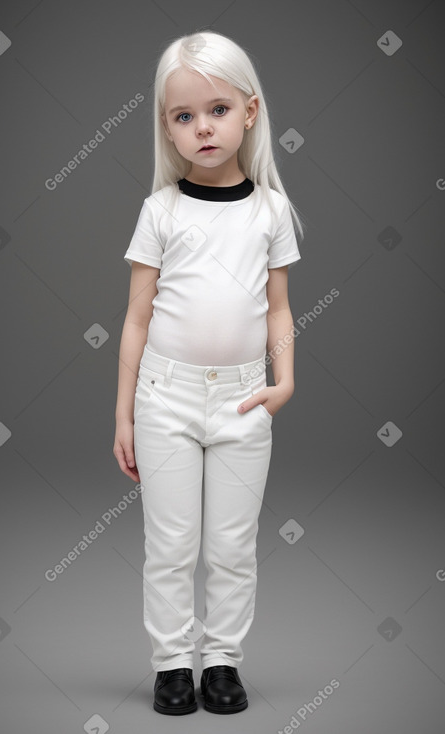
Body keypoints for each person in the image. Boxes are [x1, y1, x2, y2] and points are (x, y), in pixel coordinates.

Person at [113, 29, 305, 716]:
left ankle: (221, 661)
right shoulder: (160, 211)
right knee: (169, 545)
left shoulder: (270, 211)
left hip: (243, 402)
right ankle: (171, 665)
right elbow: (136, 319)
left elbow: (278, 309)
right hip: (164, 398)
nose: (201, 128)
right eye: (183, 116)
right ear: (166, 127)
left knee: (230, 546)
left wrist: (282, 382)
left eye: (217, 110)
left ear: (249, 111)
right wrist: (124, 413)